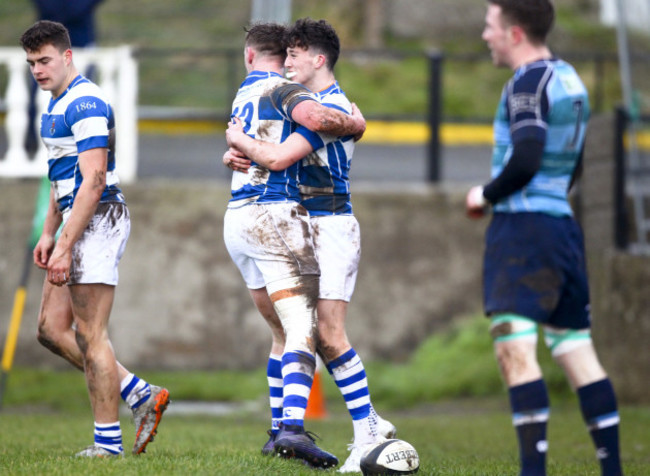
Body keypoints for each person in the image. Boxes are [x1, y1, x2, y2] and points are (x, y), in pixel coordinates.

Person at [224, 17, 396, 473]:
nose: (288, 61)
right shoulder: (301, 101)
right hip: (302, 224)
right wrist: (236, 150)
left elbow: (280, 157)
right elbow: (268, 151)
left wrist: (238, 139)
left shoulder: (330, 106)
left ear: (318, 59)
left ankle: (367, 431)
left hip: (331, 226)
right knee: (291, 331)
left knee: (329, 334)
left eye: (296, 54)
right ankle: (288, 429)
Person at [465, 1, 623, 475]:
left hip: (523, 229)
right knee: (576, 349)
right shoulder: (571, 78)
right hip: (562, 229)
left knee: (514, 347)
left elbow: (528, 154)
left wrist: (486, 195)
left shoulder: (528, 81)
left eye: (490, 27)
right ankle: (612, 469)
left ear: (514, 33)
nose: (484, 36)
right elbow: (571, 163)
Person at [20, 20, 169, 457]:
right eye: (31, 63)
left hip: (99, 217)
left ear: (68, 56)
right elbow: (60, 176)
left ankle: (108, 444)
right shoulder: (55, 102)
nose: (37, 70)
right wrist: (49, 231)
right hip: (74, 216)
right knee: (50, 329)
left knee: (90, 333)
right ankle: (139, 392)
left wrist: (65, 244)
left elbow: (94, 180)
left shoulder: (85, 101)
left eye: (44, 60)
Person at [26, 1, 104, 154]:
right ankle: (34, 147)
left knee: (82, 100)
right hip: (47, 40)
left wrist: (71, 9)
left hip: (80, 41)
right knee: (40, 98)